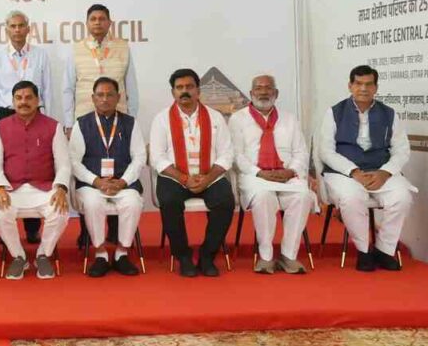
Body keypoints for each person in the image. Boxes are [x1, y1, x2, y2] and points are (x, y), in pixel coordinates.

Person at [319, 65, 415, 272]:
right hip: (344, 173)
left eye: (369, 84)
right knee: (352, 198)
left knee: (402, 197)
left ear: (376, 88)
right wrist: (353, 172)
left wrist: (385, 172)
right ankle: (363, 251)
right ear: (350, 86)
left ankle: (384, 250)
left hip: (380, 171)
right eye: (358, 84)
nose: (363, 88)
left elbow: (401, 150)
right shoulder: (334, 112)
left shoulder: (389, 114)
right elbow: (326, 151)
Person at [0, 10, 66, 243]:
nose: (17, 30)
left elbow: (47, 90)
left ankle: (32, 229)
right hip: (6, 114)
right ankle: (4, 227)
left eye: (21, 26)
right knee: (5, 169)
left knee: (37, 170)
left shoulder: (40, 55)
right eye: (13, 26)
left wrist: (48, 121)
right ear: (6, 30)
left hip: (35, 114)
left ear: (28, 29)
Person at [149, 68, 234, 278]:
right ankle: (184, 257)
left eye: (189, 86)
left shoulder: (215, 117)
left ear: (198, 90)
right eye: (179, 87)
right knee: (169, 201)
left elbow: (226, 154)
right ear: (173, 92)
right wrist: (184, 178)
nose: (184, 91)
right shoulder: (161, 119)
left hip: (209, 176)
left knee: (225, 201)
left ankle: (207, 256)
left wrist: (208, 178)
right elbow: (157, 157)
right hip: (175, 177)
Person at [229, 75, 313, 274]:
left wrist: (291, 170)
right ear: (251, 93)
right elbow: (236, 155)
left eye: (268, 88)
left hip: (286, 174)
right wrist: (259, 173)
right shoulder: (238, 119)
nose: (263, 92)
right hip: (254, 176)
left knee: (303, 196)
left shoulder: (289, 119)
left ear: (276, 93)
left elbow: (301, 152)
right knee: (264, 196)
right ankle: (266, 256)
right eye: (259, 88)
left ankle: (288, 255)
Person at [0, 81, 71, 280]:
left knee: (60, 211)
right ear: (12, 101)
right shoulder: (1, 127)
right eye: (18, 98)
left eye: (28, 98)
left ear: (37, 100)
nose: (23, 102)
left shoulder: (53, 126)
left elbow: (64, 165)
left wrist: (61, 188)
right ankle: (19, 256)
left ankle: (43, 254)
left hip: (44, 189)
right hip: (11, 189)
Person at [69, 77, 144, 277]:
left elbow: (139, 157)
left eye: (110, 95)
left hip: (123, 183)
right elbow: (74, 161)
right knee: (93, 203)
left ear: (118, 97)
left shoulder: (130, 123)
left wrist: (123, 182)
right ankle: (100, 253)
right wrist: (96, 181)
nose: (105, 99)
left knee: (133, 203)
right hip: (91, 185)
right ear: (93, 98)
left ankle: (122, 253)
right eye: (100, 95)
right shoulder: (82, 124)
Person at [63, 3, 133, 119]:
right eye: (93, 19)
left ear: (109, 23)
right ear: (87, 24)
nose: (97, 22)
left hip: (118, 118)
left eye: (102, 19)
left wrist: (131, 119)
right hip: (84, 118)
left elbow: (131, 88)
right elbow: (68, 89)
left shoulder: (123, 47)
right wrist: (69, 122)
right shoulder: (76, 49)